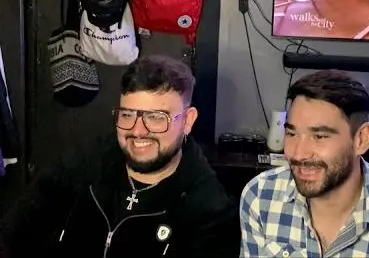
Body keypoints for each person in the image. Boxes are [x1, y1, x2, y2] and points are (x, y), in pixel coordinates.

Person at [0, 54, 239, 256]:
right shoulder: (85, 163)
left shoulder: (210, 210)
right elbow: (15, 231)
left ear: (187, 121)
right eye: (127, 115)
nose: (138, 131)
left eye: (156, 118)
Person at [239, 70, 369, 257]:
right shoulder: (260, 195)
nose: (299, 154)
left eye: (319, 136)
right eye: (291, 133)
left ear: (361, 140)